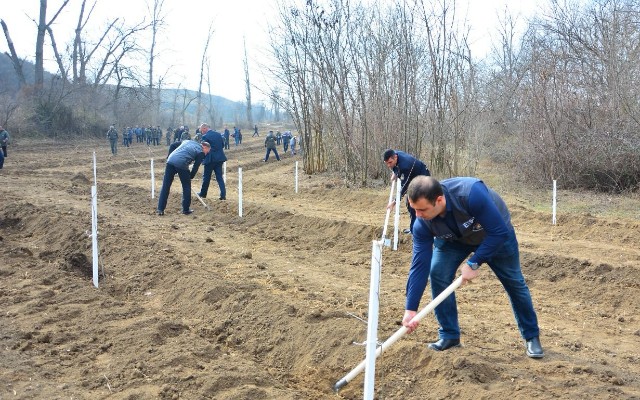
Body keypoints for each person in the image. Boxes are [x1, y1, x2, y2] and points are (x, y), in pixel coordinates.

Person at [401, 176, 544, 358]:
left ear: (439, 200)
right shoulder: (421, 223)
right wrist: (410, 309)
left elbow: (499, 232)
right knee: (437, 272)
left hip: (494, 235)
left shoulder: (470, 194)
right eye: (414, 210)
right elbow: (419, 264)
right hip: (453, 239)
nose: (418, 215)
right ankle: (449, 335)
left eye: (422, 210)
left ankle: (531, 336)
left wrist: (474, 262)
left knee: (514, 281)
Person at [156, 140, 210, 215]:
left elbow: (173, 145)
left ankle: (160, 209)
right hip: (182, 163)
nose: (207, 153)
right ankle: (185, 210)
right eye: (207, 151)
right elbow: (196, 166)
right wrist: (190, 176)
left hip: (170, 161)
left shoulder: (187, 141)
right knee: (186, 187)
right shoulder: (200, 152)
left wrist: (169, 156)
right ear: (204, 147)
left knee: (166, 185)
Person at [383, 149, 430, 234]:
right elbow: (396, 167)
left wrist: (394, 202)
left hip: (422, 179)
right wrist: (395, 172)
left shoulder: (406, 166)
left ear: (395, 157)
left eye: (390, 162)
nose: (388, 165)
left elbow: (404, 187)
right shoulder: (395, 154)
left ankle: (418, 231)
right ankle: (413, 229)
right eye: (386, 163)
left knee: (414, 204)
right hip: (413, 178)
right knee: (409, 204)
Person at [197, 123, 227, 200]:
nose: (201, 132)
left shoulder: (205, 136)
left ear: (204, 128)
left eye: (201, 130)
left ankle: (203, 194)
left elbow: (203, 149)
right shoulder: (218, 134)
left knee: (206, 177)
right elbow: (223, 145)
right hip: (220, 158)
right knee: (219, 177)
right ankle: (223, 195)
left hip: (210, 159)